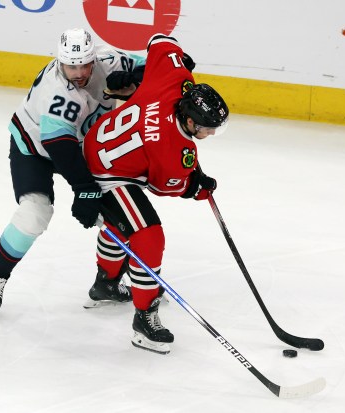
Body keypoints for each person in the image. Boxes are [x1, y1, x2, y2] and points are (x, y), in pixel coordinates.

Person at [0, 28, 146, 320]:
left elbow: (153, 62)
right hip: (34, 149)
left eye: (85, 64)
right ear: (60, 61)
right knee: (35, 213)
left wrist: (144, 75)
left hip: (83, 145)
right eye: (72, 65)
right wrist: (84, 188)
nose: (80, 71)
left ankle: (106, 283)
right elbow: (59, 146)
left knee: (121, 210)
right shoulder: (56, 91)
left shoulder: (108, 61)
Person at [82, 33, 229, 354]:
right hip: (108, 173)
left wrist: (179, 60)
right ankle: (144, 318)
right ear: (189, 121)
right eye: (206, 128)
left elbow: (161, 41)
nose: (211, 133)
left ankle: (106, 284)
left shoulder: (173, 80)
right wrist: (197, 187)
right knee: (148, 234)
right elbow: (165, 185)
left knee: (121, 223)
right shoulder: (171, 150)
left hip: (101, 142)